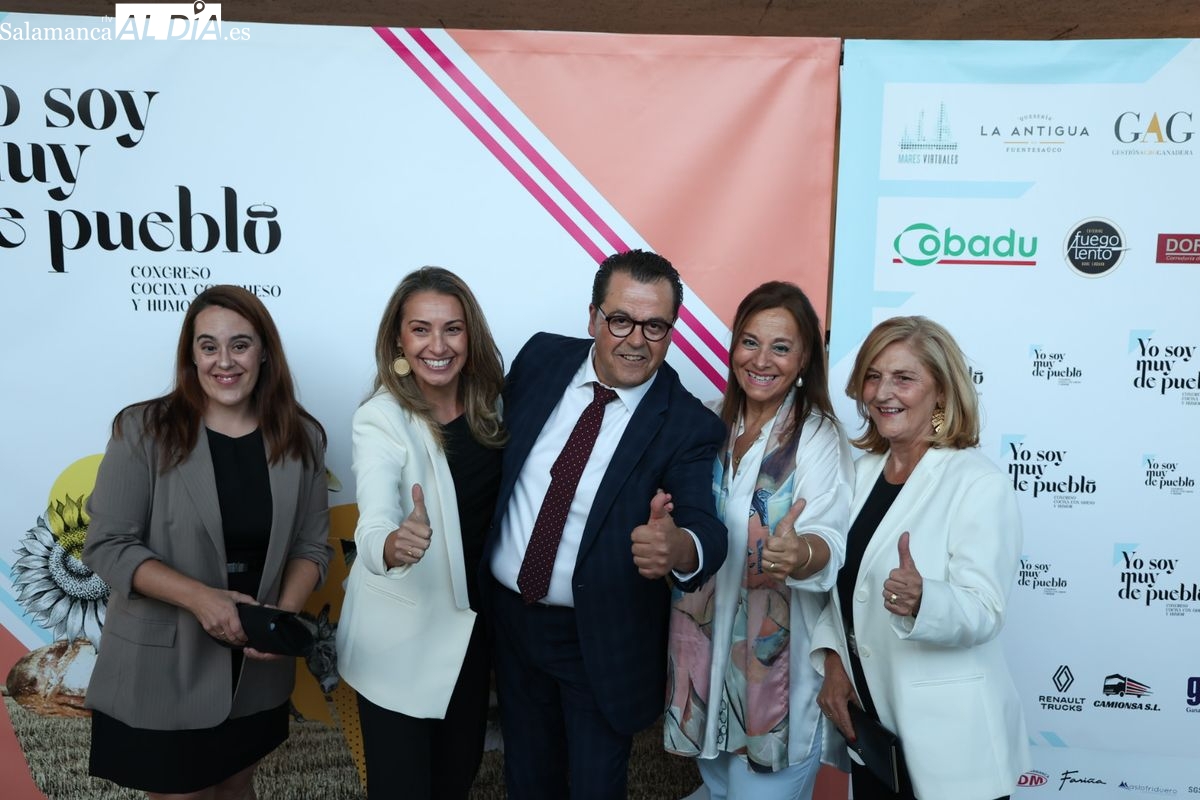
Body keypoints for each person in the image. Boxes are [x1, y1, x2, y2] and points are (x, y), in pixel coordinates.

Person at [485, 249, 728, 799]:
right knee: (526, 779)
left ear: (671, 331)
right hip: (510, 623)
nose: (636, 340)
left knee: (596, 787)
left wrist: (678, 547)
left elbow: (706, 531)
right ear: (594, 317)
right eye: (621, 320)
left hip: (598, 639)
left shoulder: (687, 423)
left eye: (655, 326)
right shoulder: (541, 358)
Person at [83, 285, 331, 799]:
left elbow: (311, 547)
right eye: (208, 346)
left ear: (264, 353)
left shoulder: (301, 437)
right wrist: (202, 600)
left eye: (240, 345)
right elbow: (108, 544)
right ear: (191, 356)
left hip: (256, 669)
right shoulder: (143, 430)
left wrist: (278, 621)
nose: (225, 361)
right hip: (163, 666)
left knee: (236, 791)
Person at [813, 316, 1030, 800]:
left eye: (904, 378)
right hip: (873, 736)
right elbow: (841, 592)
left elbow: (985, 610)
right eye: (873, 376)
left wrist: (924, 599)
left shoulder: (978, 483)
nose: (882, 392)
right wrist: (832, 660)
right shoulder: (860, 473)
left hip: (953, 748)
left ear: (942, 393)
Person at [665, 281, 854, 800]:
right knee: (717, 788)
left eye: (781, 347)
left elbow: (827, 537)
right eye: (750, 342)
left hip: (779, 682)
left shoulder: (818, 435)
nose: (761, 360)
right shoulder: (709, 422)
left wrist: (800, 553)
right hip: (705, 669)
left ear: (804, 358)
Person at [336, 267, 506, 799]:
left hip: (470, 634)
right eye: (421, 329)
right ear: (398, 340)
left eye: (452, 329)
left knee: (456, 781)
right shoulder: (381, 419)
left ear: (470, 336)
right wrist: (391, 545)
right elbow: (375, 517)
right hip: (400, 645)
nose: (438, 345)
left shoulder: (491, 409)